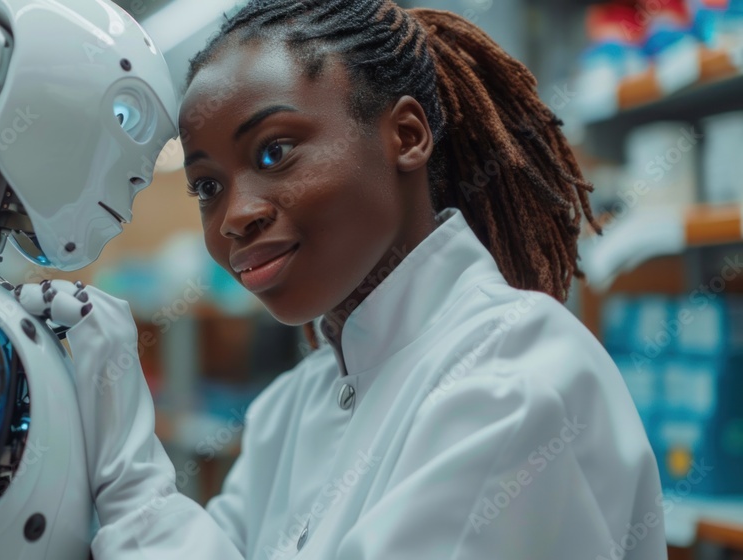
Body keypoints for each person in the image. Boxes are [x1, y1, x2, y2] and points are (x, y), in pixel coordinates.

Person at [64, 1, 667, 558]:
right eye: (207, 187)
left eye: (274, 153)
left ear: (406, 137)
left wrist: (126, 465)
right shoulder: (293, 407)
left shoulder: (512, 379)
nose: (235, 217)